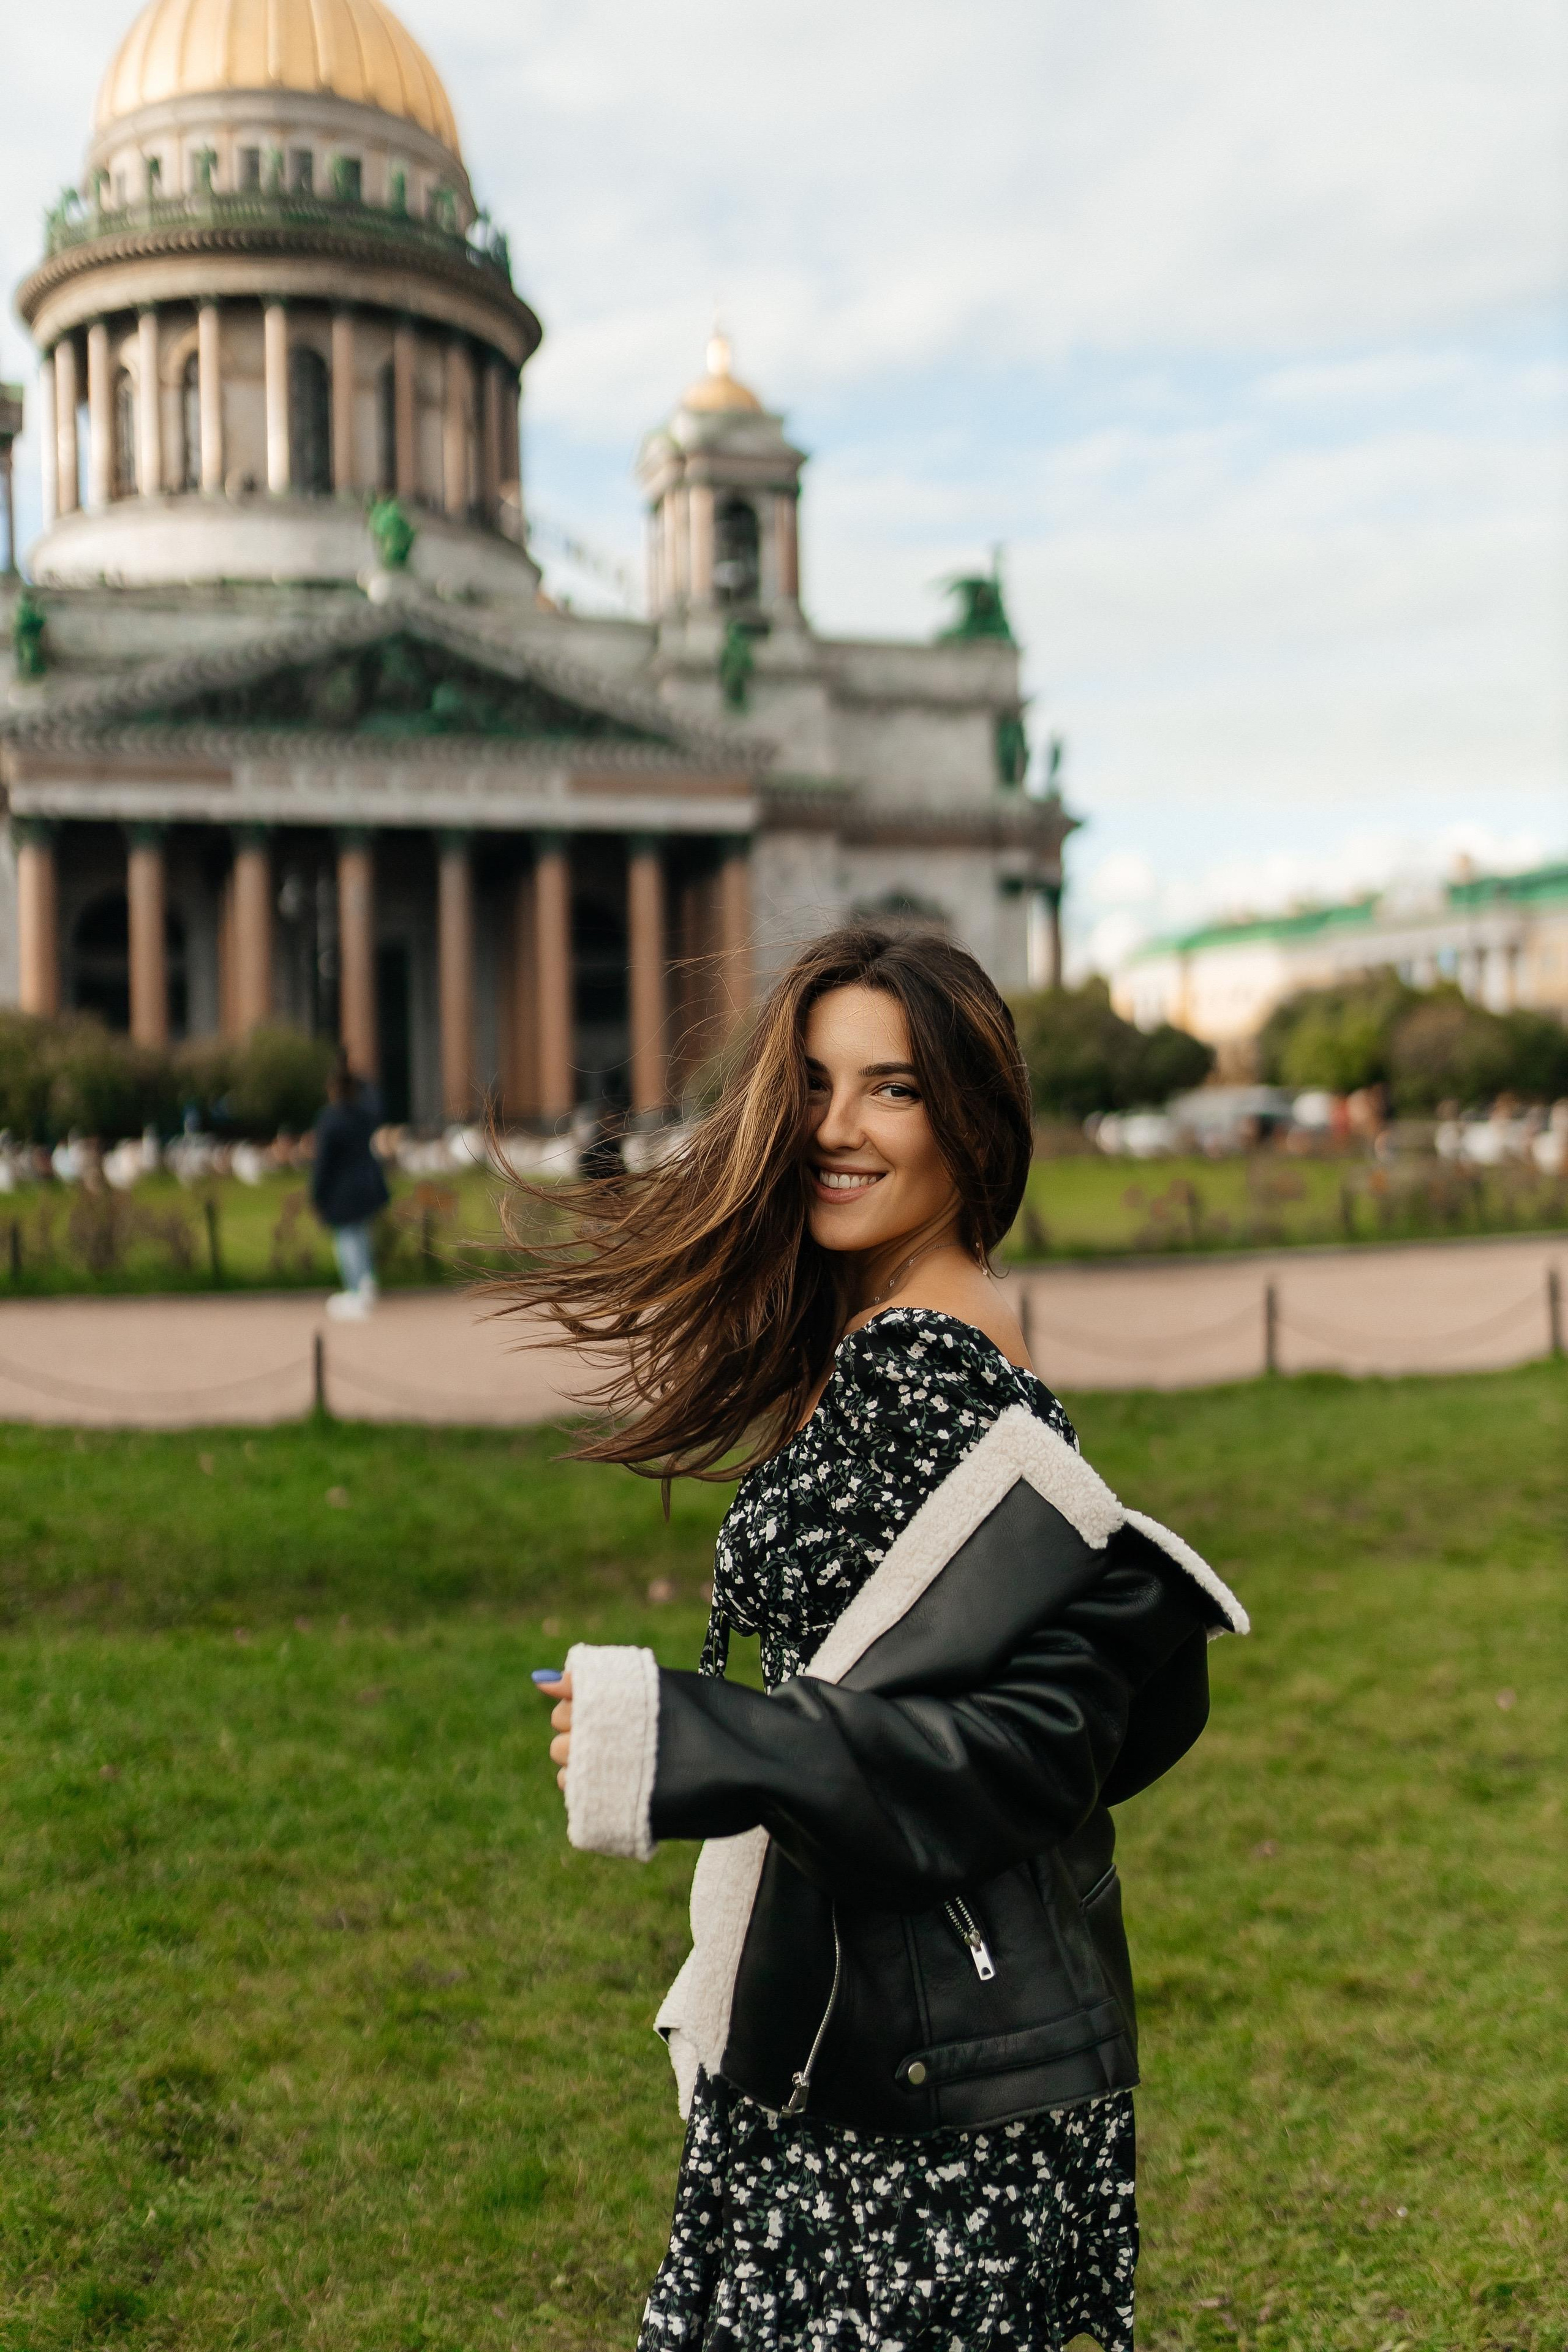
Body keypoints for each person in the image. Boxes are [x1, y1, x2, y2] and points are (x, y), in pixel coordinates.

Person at [511, 926, 1248, 2352]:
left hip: (915, 2070)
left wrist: (678, 1736)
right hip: (886, 2025)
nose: (833, 1129)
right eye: (810, 1083)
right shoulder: (899, 1342)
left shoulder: (928, 1371)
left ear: (972, 1124)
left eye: (890, 1088)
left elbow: (1011, 1750)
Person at [311, 1052, 390, 1321]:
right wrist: (353, 1073)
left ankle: (355, 1291)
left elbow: (323, 1164)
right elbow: (375, 1099)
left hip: (341, 1189)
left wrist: (317, 1194)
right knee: (360, 1236)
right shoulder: (363, 1116)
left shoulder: (330, 1120)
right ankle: (366, 1283)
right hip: (366, 1184)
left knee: (346, 1240)